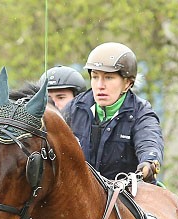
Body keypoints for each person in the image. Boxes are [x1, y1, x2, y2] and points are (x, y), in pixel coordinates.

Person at [63, 42, 163, 183]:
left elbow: (149, 142)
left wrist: (148, 163)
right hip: (80, 195)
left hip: (128, 193)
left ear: (127, 83)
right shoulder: (74, 109)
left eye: (108, 77)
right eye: (95, 77)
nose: (100, 85)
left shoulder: (141, 113)